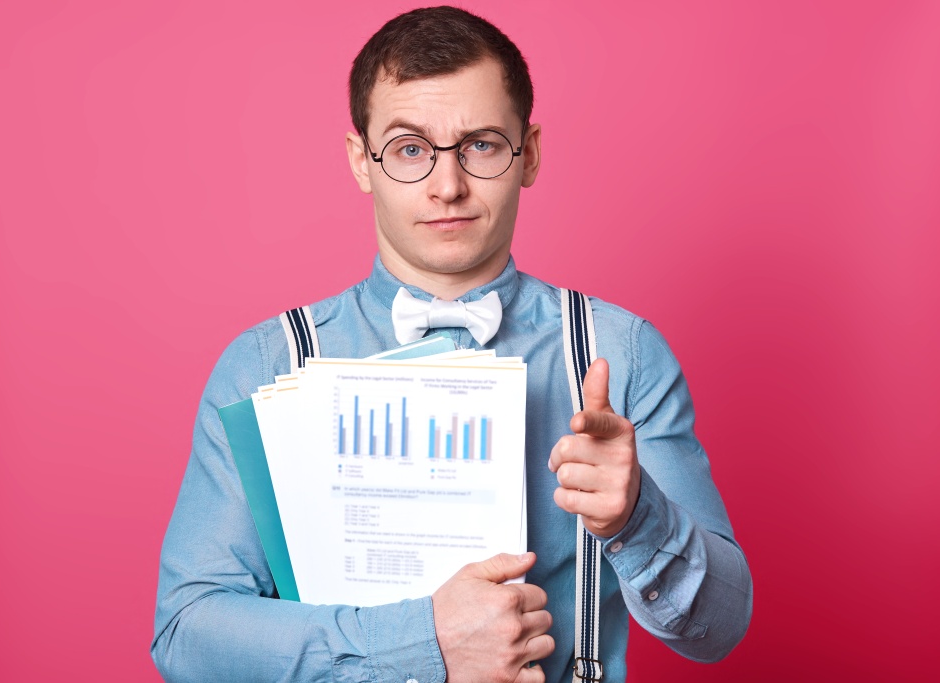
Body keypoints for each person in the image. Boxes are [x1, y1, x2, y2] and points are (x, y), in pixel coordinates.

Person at [152, 6, 753, 682]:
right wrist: (423, 641)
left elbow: (722, 629)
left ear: (529, 153)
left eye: (482, 145)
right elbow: (186, 634)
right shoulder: (265, 366)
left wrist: (637, 516)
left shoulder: (622, 354)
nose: (448, 186)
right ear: (361, 161)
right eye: (410, 149)